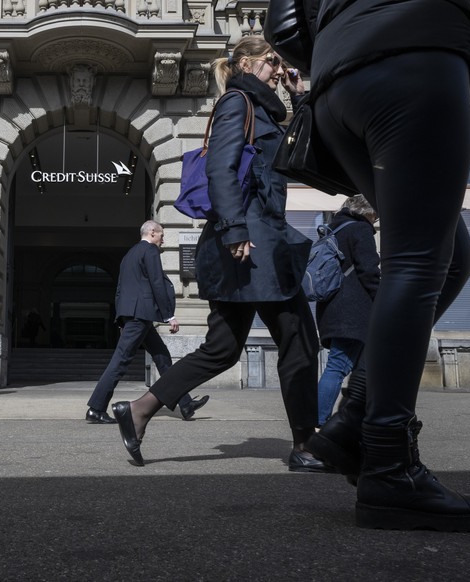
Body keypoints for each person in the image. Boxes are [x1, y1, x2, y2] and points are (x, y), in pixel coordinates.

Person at [302, 0, 470, 530]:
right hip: (417, 52)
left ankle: (353, 424)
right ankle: (389, 469)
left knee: (451, 256)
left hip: (336, 87)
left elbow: (284, 21)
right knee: (418, 262)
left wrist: (341, 44)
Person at [112, 36, 327, 473]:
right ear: (246, 63)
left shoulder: (264, 108)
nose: (277, 67)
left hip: (257, 243)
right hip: (252, 245)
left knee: (222, 348)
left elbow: (301, 155)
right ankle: (305, 444)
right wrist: (233, 229)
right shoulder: (238, 104)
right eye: (271, 60)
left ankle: (138, 410)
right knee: (299, 341)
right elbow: (220, 168)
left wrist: (300, 95)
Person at [85, 221, 209, 425]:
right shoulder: (150, 251)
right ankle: (96, 408)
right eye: (162, 234)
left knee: (162, 357)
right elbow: (156, 283)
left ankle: (185, 404)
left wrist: (121, 317)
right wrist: (169, 315)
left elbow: (119, 290)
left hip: (134, 315)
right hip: (140, 316)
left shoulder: (128, 256)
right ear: (152, 232)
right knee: (120, 362)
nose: (163, 238)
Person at [315, 195, 379, 426]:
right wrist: (382, 300)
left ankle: (356, 418)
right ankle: (318, 420)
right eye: (375, 214)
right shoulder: (360, 230)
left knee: (356, 365)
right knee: (339, 365)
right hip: (352, 312)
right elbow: (369, 271)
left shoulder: (332, 229)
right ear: (366, 212)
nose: (376, 219)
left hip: (331, 308)